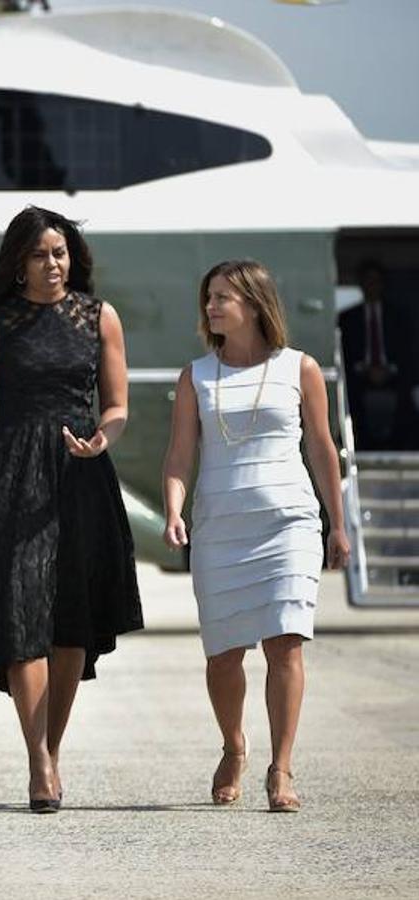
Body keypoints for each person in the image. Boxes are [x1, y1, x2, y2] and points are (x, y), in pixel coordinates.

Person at [0, 206, 143, 813]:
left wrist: (104, 435)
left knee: (72, 622)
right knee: (22, 615)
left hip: (80, 474)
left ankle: (51, 746)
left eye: (60, 252)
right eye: (39, 254)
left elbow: (118, 404)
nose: (53, 264)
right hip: (10, 473)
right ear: (18, 262)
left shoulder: (99, 316)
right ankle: (39, 762)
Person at [162, 259, 349, 813]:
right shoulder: (195, 375)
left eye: (223, 297)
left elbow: (321, 447)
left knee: (285, 643)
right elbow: (179, 455)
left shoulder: (300, 368)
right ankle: (234, 745)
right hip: (220, 528)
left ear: (254, 303)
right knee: (224, 656)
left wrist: (337, 523)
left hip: (288, 520)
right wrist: (175, 510)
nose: (212, 306)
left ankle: (281, 768)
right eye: (209, 297)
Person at [338, 260, 415, 450]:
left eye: (376, 281)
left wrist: (389, 370)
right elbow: (343, 353)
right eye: (368, 281)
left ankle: (399, 446)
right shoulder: (348, 318)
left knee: (407, 395)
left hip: (394, 375)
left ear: (383, 284)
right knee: (350, 395)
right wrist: (364, 370)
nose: (372, 286)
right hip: (359, 376)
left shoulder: (398, 316)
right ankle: (360, 445)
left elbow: (407, 351)